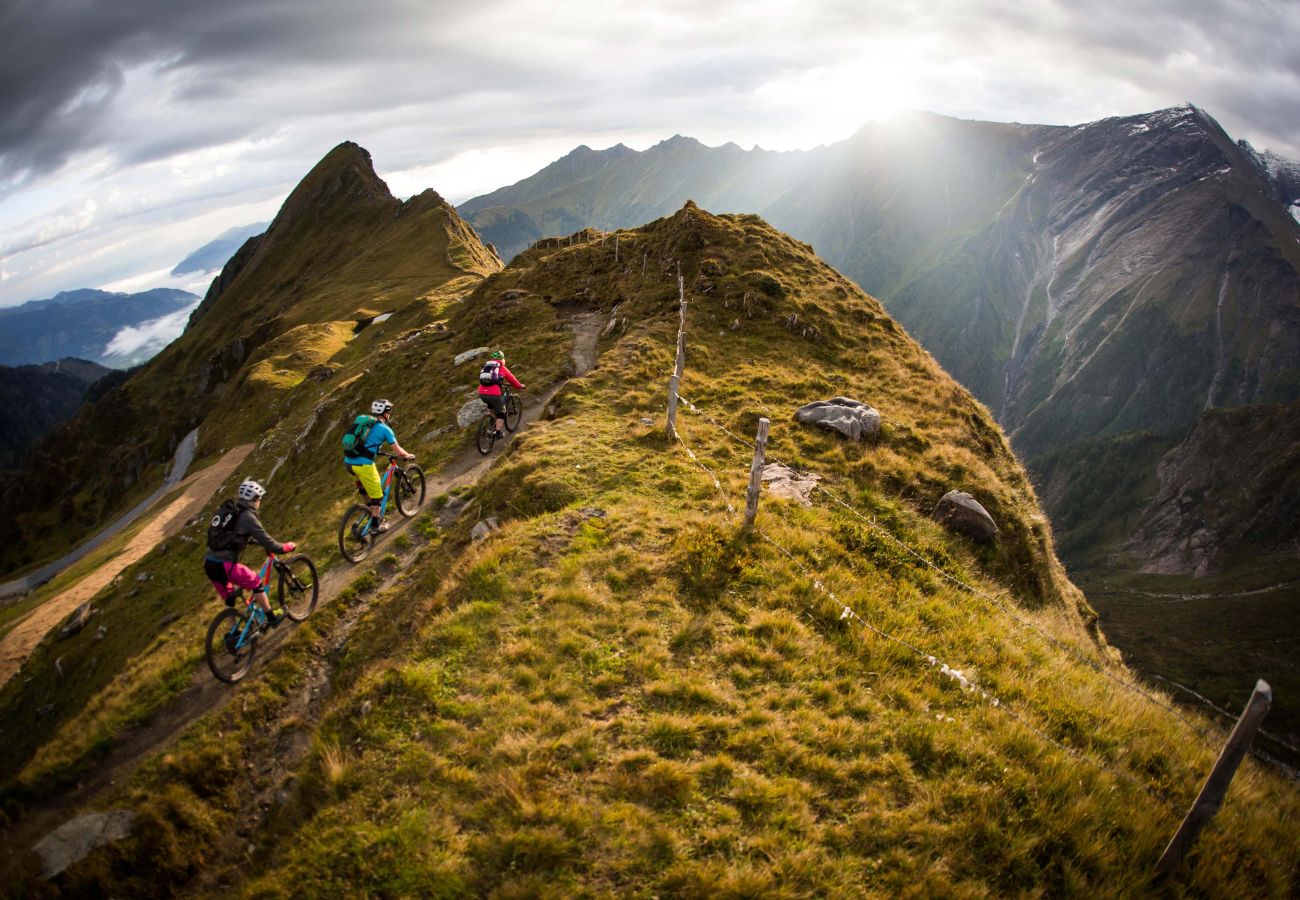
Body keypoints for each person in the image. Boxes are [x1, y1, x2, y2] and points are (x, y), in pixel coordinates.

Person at [204, 479, 297, 628]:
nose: (260, 502)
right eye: (259, 498)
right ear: (254, 499)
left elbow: (234, 535)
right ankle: (272, 617)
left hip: (209, 564)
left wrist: (252, 541)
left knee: (230, 597)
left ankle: (233, 634)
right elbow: (270, 543)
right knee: (256, 582)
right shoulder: (248, 517)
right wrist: (285, 547)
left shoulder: (234, 512)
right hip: (225, 564)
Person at [344, 398, 415, 534]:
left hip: (349, 462)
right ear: (386, 413)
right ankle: (376, 526)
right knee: (378, 496)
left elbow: (364, 440)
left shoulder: (362, 420)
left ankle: (369, 509)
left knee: (366, 490)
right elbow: (398, 451)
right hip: (364, 465)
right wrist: (408, 456)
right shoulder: (385, 429)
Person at [478, 350, 525, 438]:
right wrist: (520, 386)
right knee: (501, 412)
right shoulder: (502, 368)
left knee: (492, 408)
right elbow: (512, 380)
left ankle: (490, 424)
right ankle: (498, 433)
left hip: (481, 393)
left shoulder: (486, 367)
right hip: (493, 394)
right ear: (502, 359)